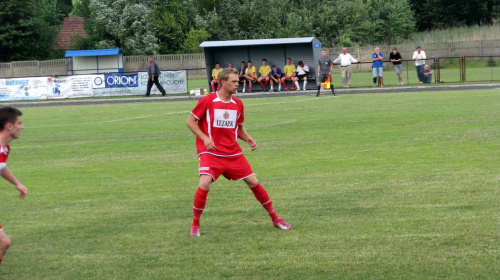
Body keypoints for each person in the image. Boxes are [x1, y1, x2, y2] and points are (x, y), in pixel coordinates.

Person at [186, 68, 291, 237]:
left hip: (233, 153)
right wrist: (205, 138)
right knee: (204, 183)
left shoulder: (238, 104)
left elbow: (238, 128)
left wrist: (247, 138)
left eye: (238, 81)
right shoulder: (208, 100)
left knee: (253, 182)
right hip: (211, 152)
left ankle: (275, 218)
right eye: (234, 81)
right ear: (222, 82)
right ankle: (195, 225)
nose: (237, 84)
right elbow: (191, 122)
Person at [0, 106, 28, 266]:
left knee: (3, 244)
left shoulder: (5, 148)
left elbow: (1, 166)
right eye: (19, 123)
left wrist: (17, 183)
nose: (22, 127)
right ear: (9, 126)